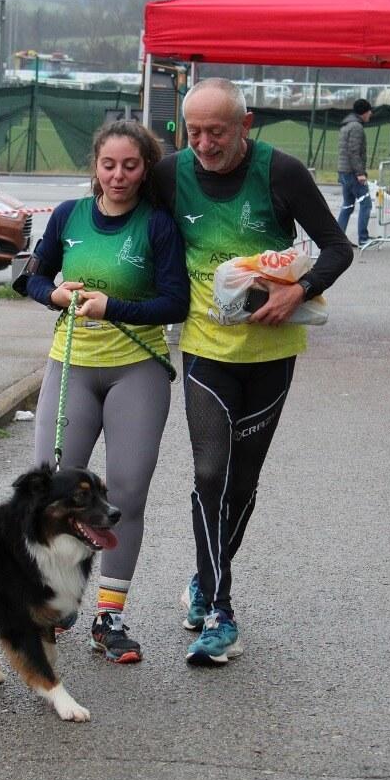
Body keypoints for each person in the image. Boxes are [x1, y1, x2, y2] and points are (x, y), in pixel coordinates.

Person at [150, 78, 354, 666]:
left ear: (247, 124)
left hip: (270, 356)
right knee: (211, 474)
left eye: (216, 131)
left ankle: (204, 576)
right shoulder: (170, 175)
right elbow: (122, 215)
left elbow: (338, 247)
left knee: (241, 486)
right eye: (193, 132)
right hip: (206, 351)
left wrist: (301, 290)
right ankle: (220, 612)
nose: (204, 144)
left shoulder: (281, 173)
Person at [21, 120, 189, 664]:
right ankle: (61, 597)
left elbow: (175, 303)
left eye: (131, 166)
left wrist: (113, 307)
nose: (118, 176)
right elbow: (31, 278)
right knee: (51, 489)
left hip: (134, 368)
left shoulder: (157, 225)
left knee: (126, 493)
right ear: (95, 165)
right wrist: (55, 294)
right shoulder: (69, 216)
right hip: (70, 364)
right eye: (109, 165)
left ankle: (109, 616)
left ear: (146, 169)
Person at [336, 98, 373, 247]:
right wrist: (360, 173)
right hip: (352, 173)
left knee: (348, 205)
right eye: (369, 111)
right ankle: (363, 238)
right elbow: (354, 151)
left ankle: (337, 239)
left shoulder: (346, 125)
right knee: (366, 204)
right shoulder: (356, 127)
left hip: (344, 171)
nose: (371, 114)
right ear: (364, 112)